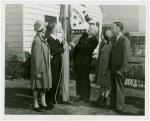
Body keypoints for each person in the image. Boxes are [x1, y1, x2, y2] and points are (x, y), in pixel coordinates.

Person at [69, 24, 99, 103]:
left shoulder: (94, 40)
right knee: (79, 78)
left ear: (94, 31)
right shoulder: (84, 36)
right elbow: (80, 44)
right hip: (78, 61)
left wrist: (75, 46)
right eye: (89, 28)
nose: (88, 29)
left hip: (85, 62)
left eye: (91, 29)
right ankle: (81, 95)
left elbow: (87, 49)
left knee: (85, 79)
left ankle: (87, 96)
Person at [31, 20, 52, 112]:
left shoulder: (42, 39)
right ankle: (35, 104)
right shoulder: (37, 40)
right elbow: (36, 57)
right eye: (45, 27)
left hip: (44, 66)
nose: (46, 29)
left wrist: (48, 56)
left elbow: (43, 52)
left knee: (43, 85)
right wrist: (38, 71)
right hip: (39, 68)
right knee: (37, 85)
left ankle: (43, 103)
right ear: (42, 29)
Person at [109, 22, 130, 114]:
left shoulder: (124, 40)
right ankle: (113, 105)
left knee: (119, 88)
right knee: (114, 87)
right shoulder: (115, 39)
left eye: (113, 28)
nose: (111, 29)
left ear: (118, 29)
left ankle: (119, 108)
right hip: (113, 68)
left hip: (119, 70)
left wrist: (121, 70)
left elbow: (126, 57)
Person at [46, 23, 67, 108]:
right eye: (57, 27)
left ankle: (55, 98)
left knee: (57, 82)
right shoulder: (49, 39)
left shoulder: (56, 39)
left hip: (58, 64)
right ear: (53, 29)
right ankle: (49, 100)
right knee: (53, 83)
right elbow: (53, 50)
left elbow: (57, 49)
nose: (58, 28)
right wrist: (63, 48)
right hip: (53, 65)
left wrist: (62, 44)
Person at [95, 29, 112, 107]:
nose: (100, 36)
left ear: (104, 36)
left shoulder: (110, 45)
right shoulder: (101, 43)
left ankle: (106, 98)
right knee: (102, 83)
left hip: (106, 67)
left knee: (106, 84)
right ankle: (101, 97)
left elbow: (108, 58)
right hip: (101, 66)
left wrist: (105, 69)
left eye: (101, 35)